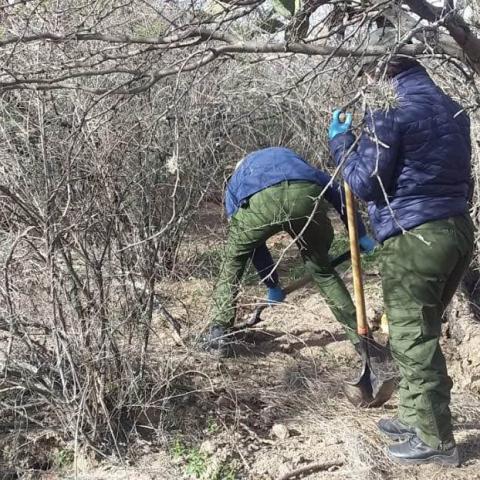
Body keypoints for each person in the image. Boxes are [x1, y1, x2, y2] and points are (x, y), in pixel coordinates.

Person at [328, 27, 473, 467]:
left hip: (416, 238)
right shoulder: (453, 108)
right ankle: (413, 416)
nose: (365, 87)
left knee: (413, 339)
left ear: (381, 70)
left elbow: (365, 183)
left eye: (366, 77)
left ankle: (435, 439)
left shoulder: (390, 110)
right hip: (457, 231)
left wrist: (340, 144)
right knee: (421, 331)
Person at [205, 146, 375, 357]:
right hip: (304, 194)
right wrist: (359, 233)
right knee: (323, 271)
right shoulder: (295, 162)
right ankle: (364, 343)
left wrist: (272, 284)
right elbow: (338, 192)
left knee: (232, 263)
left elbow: (253, 247)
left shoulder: (235, 185)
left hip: (257, 207)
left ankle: (219, 335)